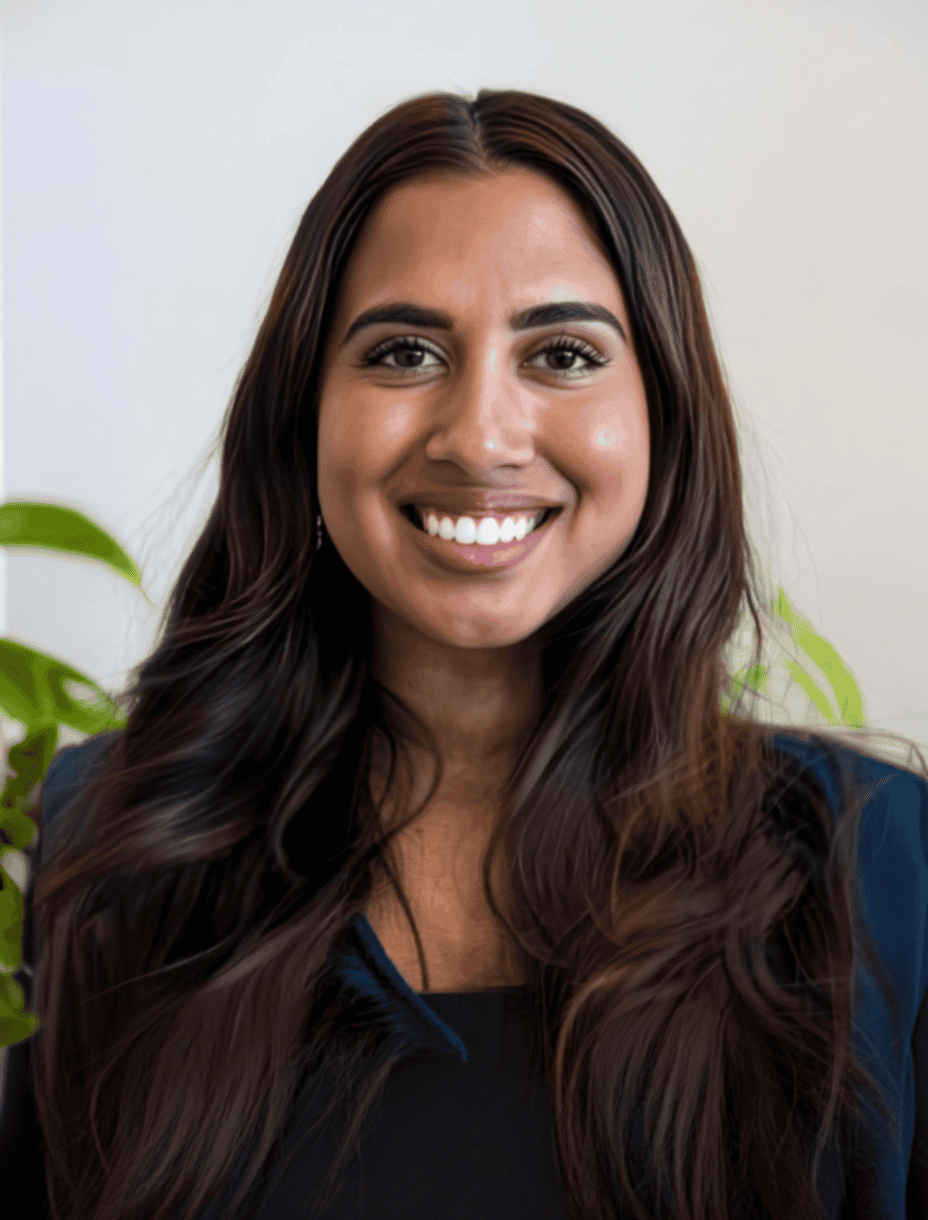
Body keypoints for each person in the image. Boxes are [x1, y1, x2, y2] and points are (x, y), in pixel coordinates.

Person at [2, 87, 927, 1220]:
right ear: (303, 416)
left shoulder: (882, 858)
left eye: (563, 353)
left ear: (664, 415)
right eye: (401, 351)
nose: (481, 431)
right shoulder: (105, 833)